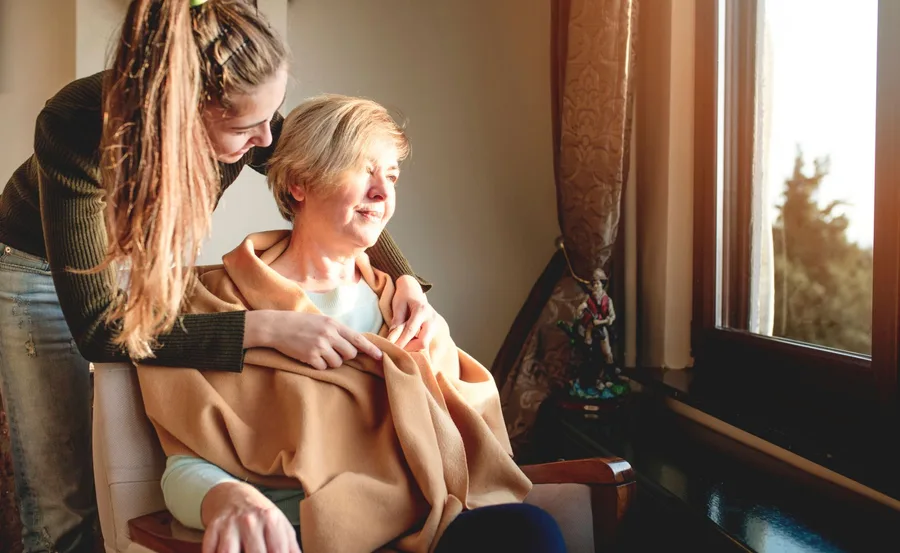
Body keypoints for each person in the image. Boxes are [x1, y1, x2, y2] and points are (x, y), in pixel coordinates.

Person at [0, 2, 438, 552]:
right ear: (181, 113)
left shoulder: (249, 114)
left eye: (270, 117)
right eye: (245, 127)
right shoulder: (76, 126)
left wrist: (404, 280)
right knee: (62, 497)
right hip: (35, 268)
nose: (265, 140)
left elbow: (320, 174)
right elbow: (98, 331)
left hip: (133, 262)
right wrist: (265, 328)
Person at [140, 94, 567, 553]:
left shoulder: (404, 309)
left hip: (427, 528)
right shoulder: (218, 304)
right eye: (363, 171)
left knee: (530, 532)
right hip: (302, 535)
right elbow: (185, 465)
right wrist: (227, 497)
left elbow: (472, 447)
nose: (383, 194)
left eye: (391, 176)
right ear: (300, 183)